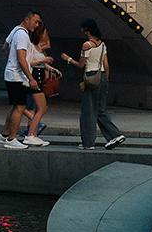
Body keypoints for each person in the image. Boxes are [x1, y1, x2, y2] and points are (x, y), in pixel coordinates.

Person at [61, 18, 126, 150]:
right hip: (102, 77)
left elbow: (81, 64)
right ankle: (115, 135)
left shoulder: (87, 45)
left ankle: (88, 143)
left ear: (86, 30)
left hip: (91, 77)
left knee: (88, 111)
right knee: (100, 109)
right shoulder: (102, 44)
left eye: (82, 28)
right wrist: (105, 80)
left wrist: (68, 59)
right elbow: (106, 65)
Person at [0, 10, 42, 150]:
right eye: (35, 22)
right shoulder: (23, 34)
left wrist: (10, 62)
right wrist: (31, 78)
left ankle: (4, 134)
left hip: (11, 74)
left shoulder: (15, 31)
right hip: (17, 77)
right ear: (27, 19)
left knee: (14, 106)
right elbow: (21, 58)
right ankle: (12, 138)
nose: (37, 25)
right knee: (20, 107)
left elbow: (4, 48)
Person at [17, 22, 52, 146]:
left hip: (39, 78)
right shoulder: (31, 45)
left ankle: (33, 134)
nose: (46, 35)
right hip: (34, 78)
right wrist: (44, 60)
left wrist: (49, 67)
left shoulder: (38, 46)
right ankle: (31, 134)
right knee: (41, 108)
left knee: (41, 108)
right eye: (45, 33)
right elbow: (29, 62)